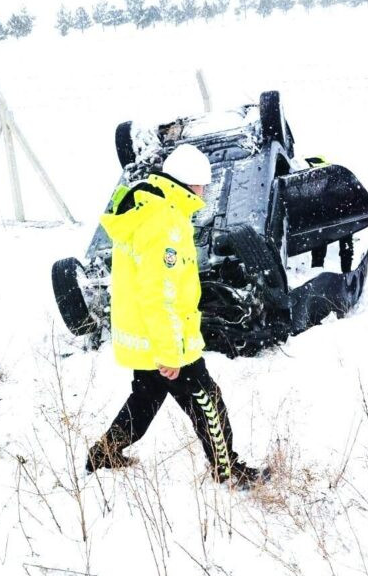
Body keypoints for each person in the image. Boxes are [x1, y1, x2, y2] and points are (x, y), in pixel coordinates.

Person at [87, 143, 268, 487]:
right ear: (190, 184)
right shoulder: (166, 224)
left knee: (145, 399)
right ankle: (227, 469)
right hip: (167, 338)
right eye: (204, 184)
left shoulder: (146, 209)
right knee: (206, 400)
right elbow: (160, 293)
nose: (206, 191)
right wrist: (169, 352)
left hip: (145, 333)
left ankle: (103, 454)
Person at [306, 156, 354, 272]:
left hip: (340, 216)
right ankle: (317, 269)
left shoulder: (337, 181)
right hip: (322, 218)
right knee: (318, 239)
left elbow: (349, 199)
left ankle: (346, 271)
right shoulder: (310, 182)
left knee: (345, 241)